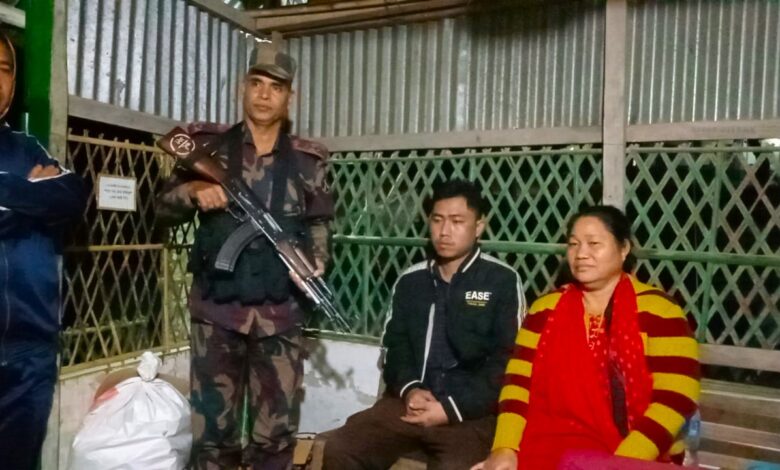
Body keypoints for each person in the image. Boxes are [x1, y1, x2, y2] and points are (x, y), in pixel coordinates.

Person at [156, 36, 333, 469]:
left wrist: (316, 263)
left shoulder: (309, 161)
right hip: (216, 311)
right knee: (214, 435)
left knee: (275, 437)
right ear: (242, 88)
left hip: (281, 314)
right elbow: (161, 209)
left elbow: (319, 222)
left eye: (276, 87)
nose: (264, 94)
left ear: (291, 97)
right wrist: (193, 191)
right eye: (256, 83)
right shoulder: (208, 148)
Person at [473, 205, 700, 470]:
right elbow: (517, 384)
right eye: (573, 244)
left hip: (636, 455)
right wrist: (504, 449)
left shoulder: (659, 310)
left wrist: (621, 463)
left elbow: (676, 396)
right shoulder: (544, 310)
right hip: (547, 449)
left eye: (594, 243)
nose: (581, 254)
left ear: (624, 248)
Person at [323, 179, 526, 470]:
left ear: (479, 226)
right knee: (342, 448)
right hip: (409, 405)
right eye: (437, 220)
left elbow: (507, 362)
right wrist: (410, 389)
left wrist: (451, 408)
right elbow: (396, 347)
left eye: (457, 221)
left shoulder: (501, 281)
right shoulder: (411, 281)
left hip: (470, 415)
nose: (444, 231)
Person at [0, 31, 87, 470]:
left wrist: (7, 193)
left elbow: (72, 196)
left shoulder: (26, 147)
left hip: (29, 347)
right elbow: (46, 201)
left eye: (3, 70)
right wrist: (30, 195)